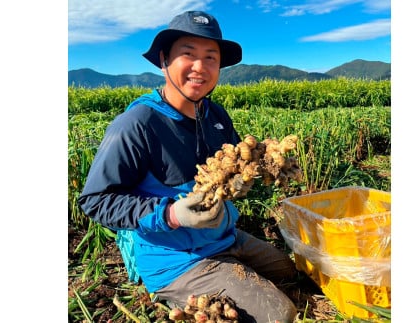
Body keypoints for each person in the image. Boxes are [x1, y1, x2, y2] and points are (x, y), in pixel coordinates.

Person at [78, 10, 298, 322]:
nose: (200, 67)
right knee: (281, 315)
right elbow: (96, 200)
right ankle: (176, 296)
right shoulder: (137, 123)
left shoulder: (215, 115)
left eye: (211, 57)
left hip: (224, 236)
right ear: (165, 59)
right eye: (188, 54)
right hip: (176, 259)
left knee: (294, 271)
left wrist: (255, 172)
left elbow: (236, 167)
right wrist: (172, 214)